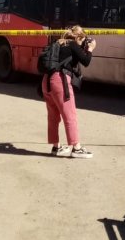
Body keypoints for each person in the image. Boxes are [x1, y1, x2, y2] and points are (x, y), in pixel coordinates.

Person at [42, 25, 96, 158]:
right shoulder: (73, 44)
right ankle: (76, 148)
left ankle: (56, 147)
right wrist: (90, 48)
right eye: (83, 40)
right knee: (70, 114)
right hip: (60, 80)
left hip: (46, 80)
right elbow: (86, 61)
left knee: (53, 116)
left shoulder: (59, 43)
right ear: (79, 37)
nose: (83, 43)